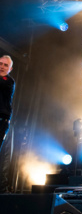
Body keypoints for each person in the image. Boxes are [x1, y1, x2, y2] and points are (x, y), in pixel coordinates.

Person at [0, 55, 15, 193]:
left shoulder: (8, 81)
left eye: (5, 65)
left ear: (10, 69)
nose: (2, 67)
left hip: (1, 120)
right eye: (0, 63)